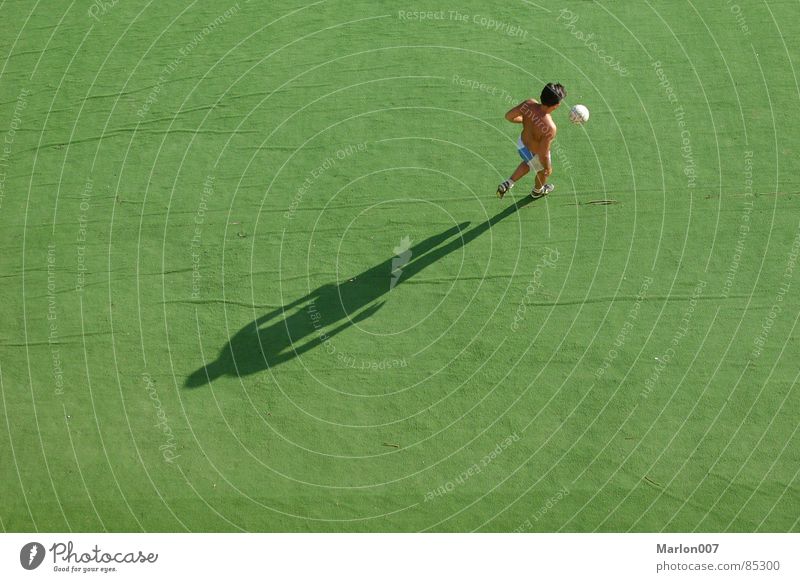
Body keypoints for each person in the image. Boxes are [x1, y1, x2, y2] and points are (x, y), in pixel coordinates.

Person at [496, 82, 566, 198]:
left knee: (529, 163)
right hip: (534, 153)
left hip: (521, 145)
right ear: (556, 105)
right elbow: (543, 154)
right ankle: (537, 191)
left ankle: (508, 183)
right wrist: (548, 168)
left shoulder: (528, 104)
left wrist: (524, 121)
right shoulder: (550, 127)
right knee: (542, 171)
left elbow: (509, 116)